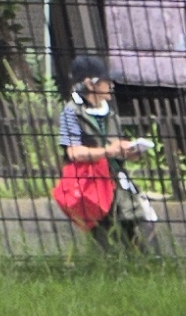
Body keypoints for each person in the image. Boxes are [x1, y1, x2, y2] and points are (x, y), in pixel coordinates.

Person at [51, 60, 160, 243]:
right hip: (92, 187)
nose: (111, 85)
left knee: (144, 223)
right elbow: (73, 152)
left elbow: (114, 147)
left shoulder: (109, 113)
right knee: (108, 237)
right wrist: (108, 151)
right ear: (90, 84)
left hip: (118, 181)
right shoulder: (71, 113)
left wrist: (127, 151)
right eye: (106, 81)